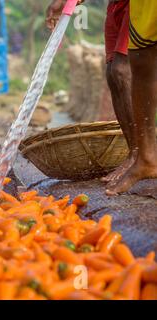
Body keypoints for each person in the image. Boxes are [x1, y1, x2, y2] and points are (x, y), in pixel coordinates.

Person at [46, 0, 157, 195]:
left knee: (121, 70)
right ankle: (138, 154)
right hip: (117, 6)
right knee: (113, 72)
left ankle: (142, 156)